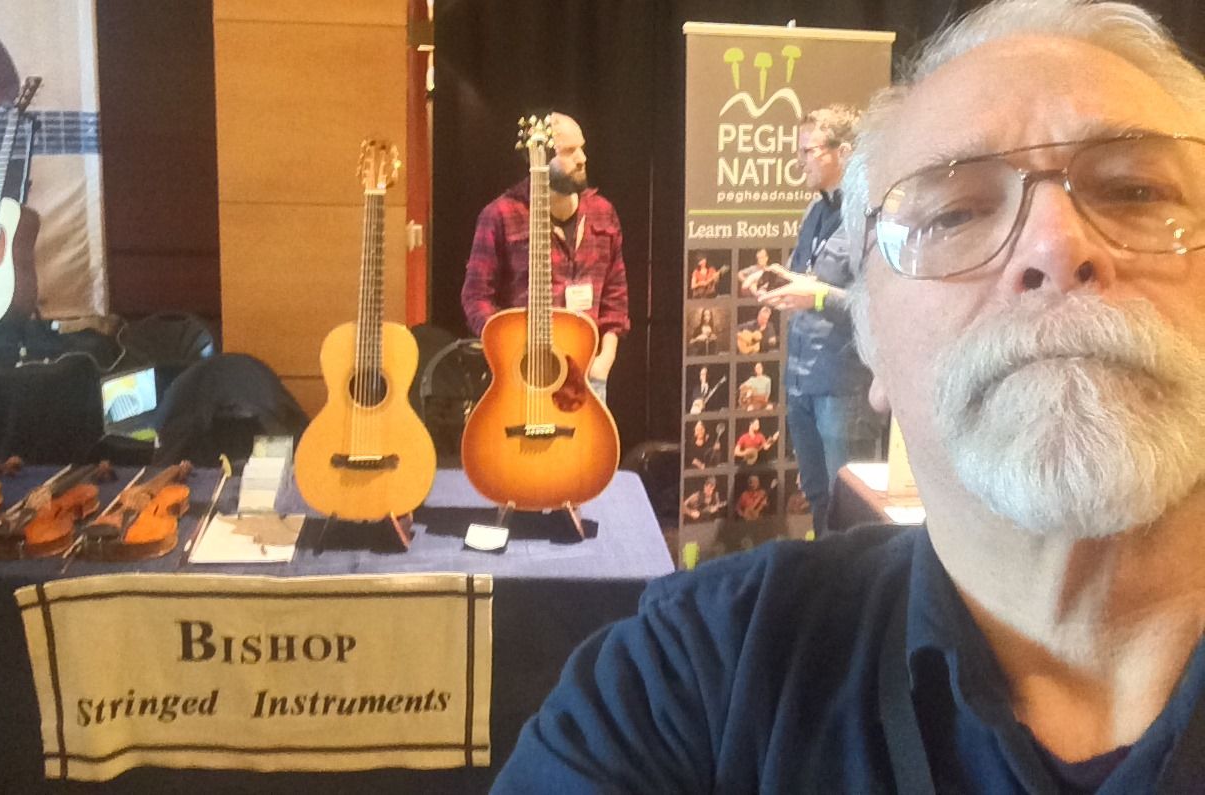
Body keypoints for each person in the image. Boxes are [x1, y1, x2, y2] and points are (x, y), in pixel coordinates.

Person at [492, 1, 1205, 791]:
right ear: (875, 342)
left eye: (1138, 192)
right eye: (956, 211)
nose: (1055, 244)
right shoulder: (688, 680)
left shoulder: (604, 219)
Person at [756, 104, 881, 537]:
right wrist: (779, 282)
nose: (799, 161)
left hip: (844, 389)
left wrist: (820, 296)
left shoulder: (872, 218)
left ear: (843, 152)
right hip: (802, 382)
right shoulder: (816, 211)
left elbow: (880, 308)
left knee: (849, 511)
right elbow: (810, 278)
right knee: (817, 497)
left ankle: (852, 599)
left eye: (808, 151)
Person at [461, 112, 629, 402]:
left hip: (586, 375)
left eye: (582, 147)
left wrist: (605, 360)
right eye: (569, 151)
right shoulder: (500, 215)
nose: (582, 158)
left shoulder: (603, 212)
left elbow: (616, 297)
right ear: (538, 158)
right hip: (523, 376)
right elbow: (476, 297)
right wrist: (508, 351)